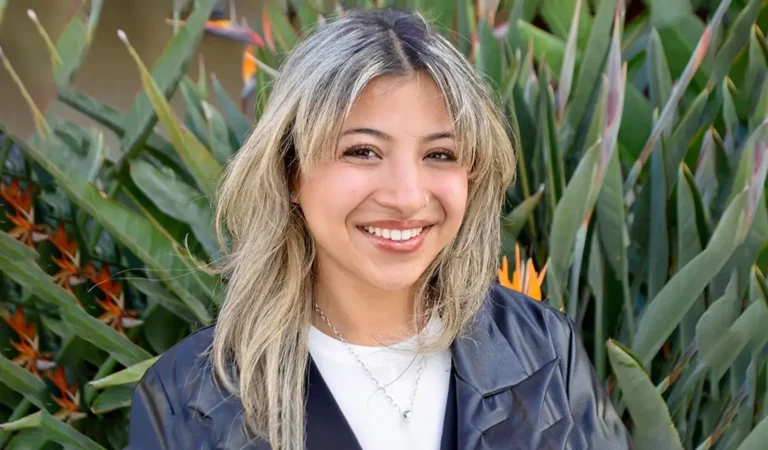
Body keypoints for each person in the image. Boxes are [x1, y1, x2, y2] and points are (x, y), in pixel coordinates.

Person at [126, 8, 633, 450]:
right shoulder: (190, 399)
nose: (408, 196)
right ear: (290, 173)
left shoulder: (542, 353)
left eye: (440, 154)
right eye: (362, 152)